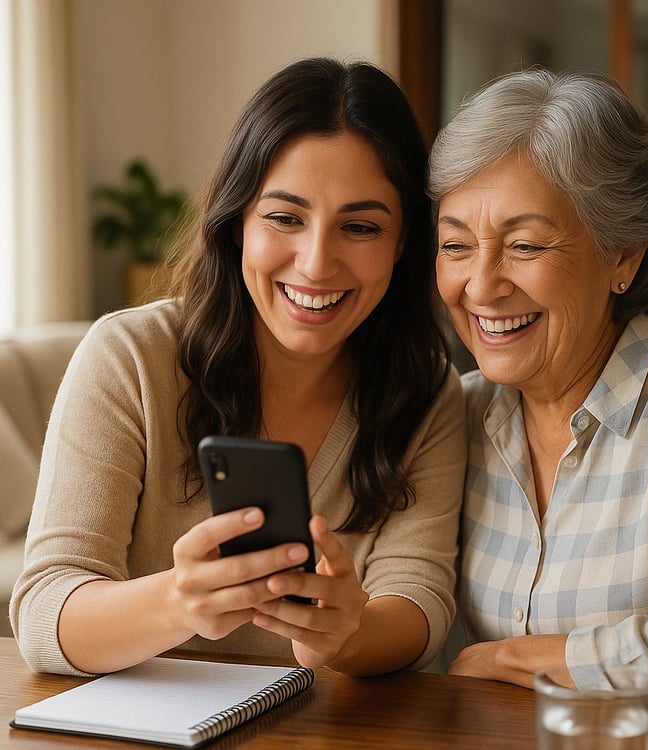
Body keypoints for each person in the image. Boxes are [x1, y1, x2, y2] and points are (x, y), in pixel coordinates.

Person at [11, 57, 466, 678]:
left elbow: (420, 602)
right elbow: (44, 614)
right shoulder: (130, 357)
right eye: (284, 218)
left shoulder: (425, 388)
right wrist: (179, 601)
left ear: (404, 243)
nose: (314, 263)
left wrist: (347, 633)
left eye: (360, 227)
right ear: (237, 223)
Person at [428, 67, 648, 719]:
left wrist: (514, 658)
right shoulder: (457, 413)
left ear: (624, 255)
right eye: (455, 246)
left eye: (524, 244)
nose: (480, 285)